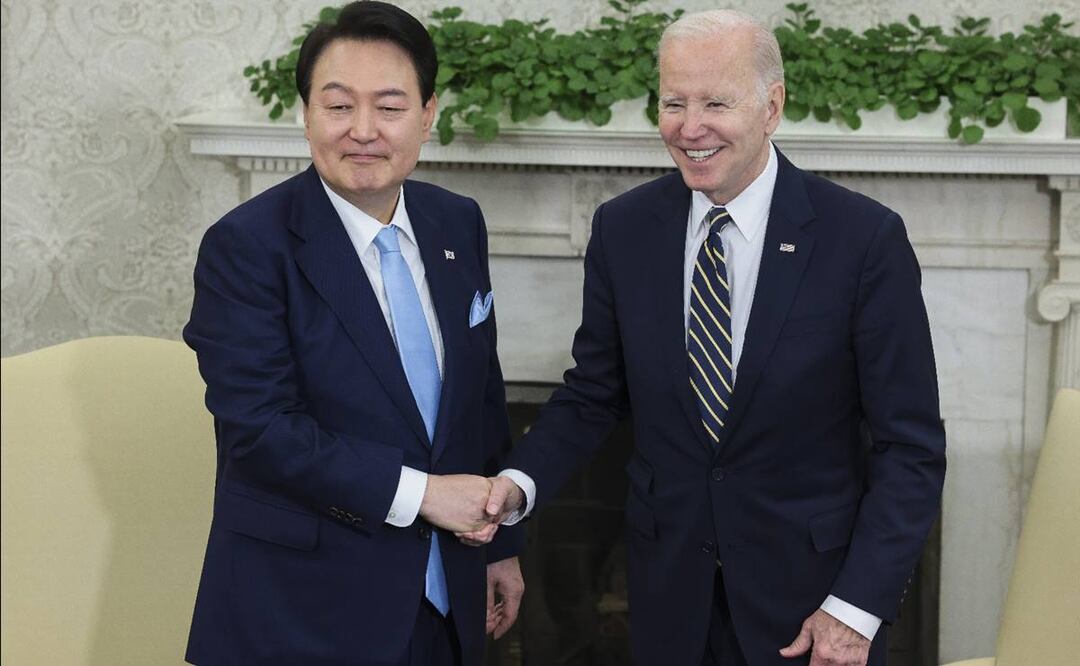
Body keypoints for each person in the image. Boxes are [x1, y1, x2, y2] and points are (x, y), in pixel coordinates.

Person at [473, 9, 946, 666]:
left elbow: (911, 449)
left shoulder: (864, 240)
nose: (689, 127)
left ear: (771, 107)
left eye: (715, 103)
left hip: (816, 613)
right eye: (674, 103)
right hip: (671, 603)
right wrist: (516, 484)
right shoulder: (623, 229)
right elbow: (594, 394)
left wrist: (856, 608)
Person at [182, 3, 522, 664]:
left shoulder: (457, 222)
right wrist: (426, 496)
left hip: (446, 596)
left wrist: (500, 545)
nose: (362, 131)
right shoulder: (246, 246)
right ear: (306, 113)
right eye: (338, 106)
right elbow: (260, 429)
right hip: (301, 611)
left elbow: (481, 397)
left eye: (389, 107)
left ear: (427, 115)